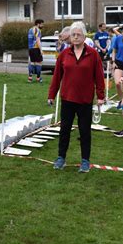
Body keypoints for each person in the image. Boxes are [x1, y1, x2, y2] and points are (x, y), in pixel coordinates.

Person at [48, 22, 105, 173]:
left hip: (85, 100)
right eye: (73, 35)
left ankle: (85, 161)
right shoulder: (64, 55)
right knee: (64, 129)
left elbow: (99, 76)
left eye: (78, 35)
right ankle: (61, 158)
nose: (76, 37)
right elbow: (56, 77)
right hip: (67, 98)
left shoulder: (93, 54)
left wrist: (101, 96)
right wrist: (51, 95)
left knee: (85, 131)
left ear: (84, 36)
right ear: (70, 37)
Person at [28, 19, 44, 83]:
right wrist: (41, 50)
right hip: (36, 48)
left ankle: (30, 78)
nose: (42, 25)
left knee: (32, 63)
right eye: (42, 24)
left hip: (30, 48)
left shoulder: (30, 29)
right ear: (38, 24)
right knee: (39, 63)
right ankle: (38, 78)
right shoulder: (38, 30)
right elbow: (38, 40)